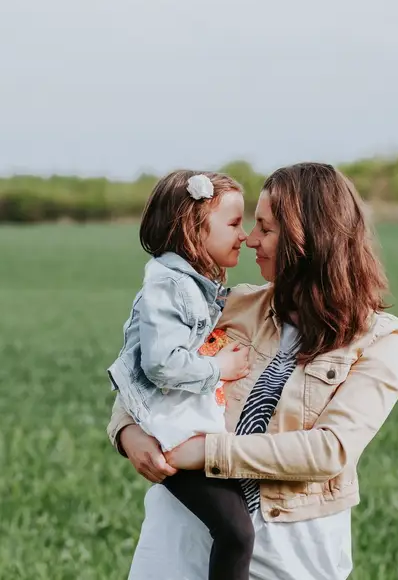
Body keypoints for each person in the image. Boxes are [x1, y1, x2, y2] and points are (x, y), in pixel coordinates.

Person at [108, 162, 398, 579]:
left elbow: (330, 450)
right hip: (180, 544)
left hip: (290, 557)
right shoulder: (229, 306)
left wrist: (210, 453)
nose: (250, 239)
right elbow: (150, 368)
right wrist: (126, 431)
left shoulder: (379, 340)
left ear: (311, 239)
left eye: (266, 229)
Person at [106, 169, 256, 580]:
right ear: (193, 230)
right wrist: (219, 368)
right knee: (236, 533)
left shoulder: (198, 286)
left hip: (182, 427)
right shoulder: (171, 286)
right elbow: (158, 364)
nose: (244, 235)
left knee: (235, 530)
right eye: (234, 223)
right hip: (176, 430)